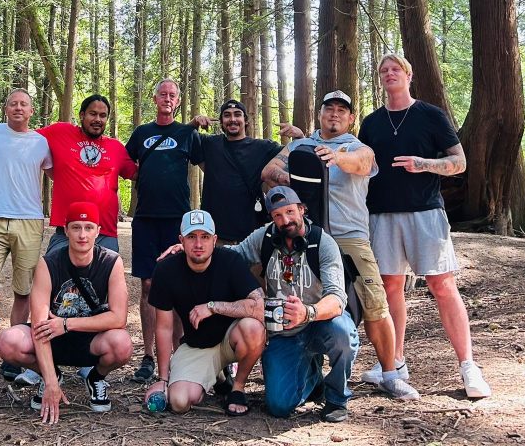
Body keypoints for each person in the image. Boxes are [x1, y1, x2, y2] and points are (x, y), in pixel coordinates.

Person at [261, 90, 420, 400]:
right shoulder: (299, 146)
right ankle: (307, 372)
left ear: (350, 118)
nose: (334, 114)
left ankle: (390, 373)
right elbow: (268, 172)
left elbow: (362, 164)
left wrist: (336, 158)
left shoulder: (359, 148)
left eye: (341, 110)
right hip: (307, 238)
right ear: (320, 114)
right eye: (329, 108)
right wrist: (291, 177)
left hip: (350, 238)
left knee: (375, 303)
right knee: (302, 301)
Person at [358, 53, 491, 399]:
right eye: (383, 70)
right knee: (390, 286)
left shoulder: (431, 115)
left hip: (425, 213)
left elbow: (459, 162)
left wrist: (423, 164)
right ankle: (396, 360)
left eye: (395, 69)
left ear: (408, 74)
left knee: (442, 285)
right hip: (382, 215)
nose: (389, 74)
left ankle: (468, 366)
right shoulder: (371, 123)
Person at [228, 187, 360, 421]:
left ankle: (337, 397)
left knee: (343, 333)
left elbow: (337, 299)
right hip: (283, 332)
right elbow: (232, 257)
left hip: (321, 323)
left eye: (290, 211)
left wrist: (308, 313)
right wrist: (194, 251)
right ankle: (312, 377)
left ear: (302, 209)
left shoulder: (323, 243)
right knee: (279, 406)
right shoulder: (265, 238)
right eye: (277, 215)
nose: (285, 220)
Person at [0, 202, 133, 425]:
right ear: (66, 230)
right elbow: (40, 323)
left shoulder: (111, 262)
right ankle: (50, 374)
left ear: (98, 231)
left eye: (89, 228)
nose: (82, 235)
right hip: (52, 336)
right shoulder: (48, 263)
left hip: (90, 338)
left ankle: (96, 377)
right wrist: (50, 381)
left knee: (122, 344)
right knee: (8, 341)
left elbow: (119, 318)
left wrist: (68, 324)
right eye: (76, 227)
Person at [144, 210, 266, 416]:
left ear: (214, 240)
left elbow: (259, 306)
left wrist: (212, 306)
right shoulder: (166, 270)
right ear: (181, 240)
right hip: (197, 346)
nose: (198, 244)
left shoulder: (230, 261)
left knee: (253, 327)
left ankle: (238, 387)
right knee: (179, 402)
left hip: (231, 340)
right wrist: (162, 379)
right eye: (192, 237)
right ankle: (214, 376)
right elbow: (164, 328)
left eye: (205, 237)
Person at [125, 78, 204, 383]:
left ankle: (180, 354)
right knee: (147, 286)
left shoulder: (188, 133)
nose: (167, 98)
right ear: (154, 98)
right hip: (145, 218)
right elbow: (126, 162)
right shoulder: (142, 133)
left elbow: (208, 164)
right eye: (163, 94)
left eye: (173, 94)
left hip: (177, 220)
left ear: (178, 101)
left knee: (178, 285)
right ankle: (148, 356)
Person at [0, 89, 52, 384]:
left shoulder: (41, 143)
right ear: (5, 109)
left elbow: (61, 171)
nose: (18, 108)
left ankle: (12, 357)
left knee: (24, 290)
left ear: (32, 111)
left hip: (29, 220)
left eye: (24, 104)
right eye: (13, 103)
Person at [37, 94, 137, 254]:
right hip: (66, 230)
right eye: (93, 113)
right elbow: (26, 140)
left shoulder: (116, 148)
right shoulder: (60, 132)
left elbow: (139, 175)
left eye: (103, 115)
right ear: (82, 115)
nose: (98, 119)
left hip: (105, 232)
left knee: (105, 278)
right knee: (55, 276)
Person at [192, 98, 282, 244]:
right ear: (221, 122)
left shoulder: (263, 147)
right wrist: (194, 122)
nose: (232, 119)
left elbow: (293, 156)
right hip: (215, 236)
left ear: (245, 120)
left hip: (253, 237)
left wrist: (300, 137)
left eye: (237, 114)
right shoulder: (210, 144)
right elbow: (183, 137)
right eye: (227, 115)